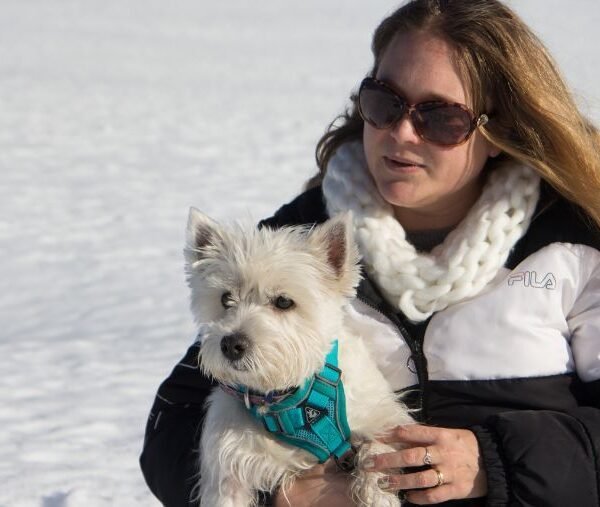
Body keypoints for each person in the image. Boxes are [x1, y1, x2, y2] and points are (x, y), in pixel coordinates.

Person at [140, 0, 600, 505]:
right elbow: (172, 427)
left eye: (441, 117)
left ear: (497, 131)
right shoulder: (294, 248)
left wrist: (494, 462)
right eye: (384, 103)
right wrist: (288, 496)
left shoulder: (570, 245)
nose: (401, 133)